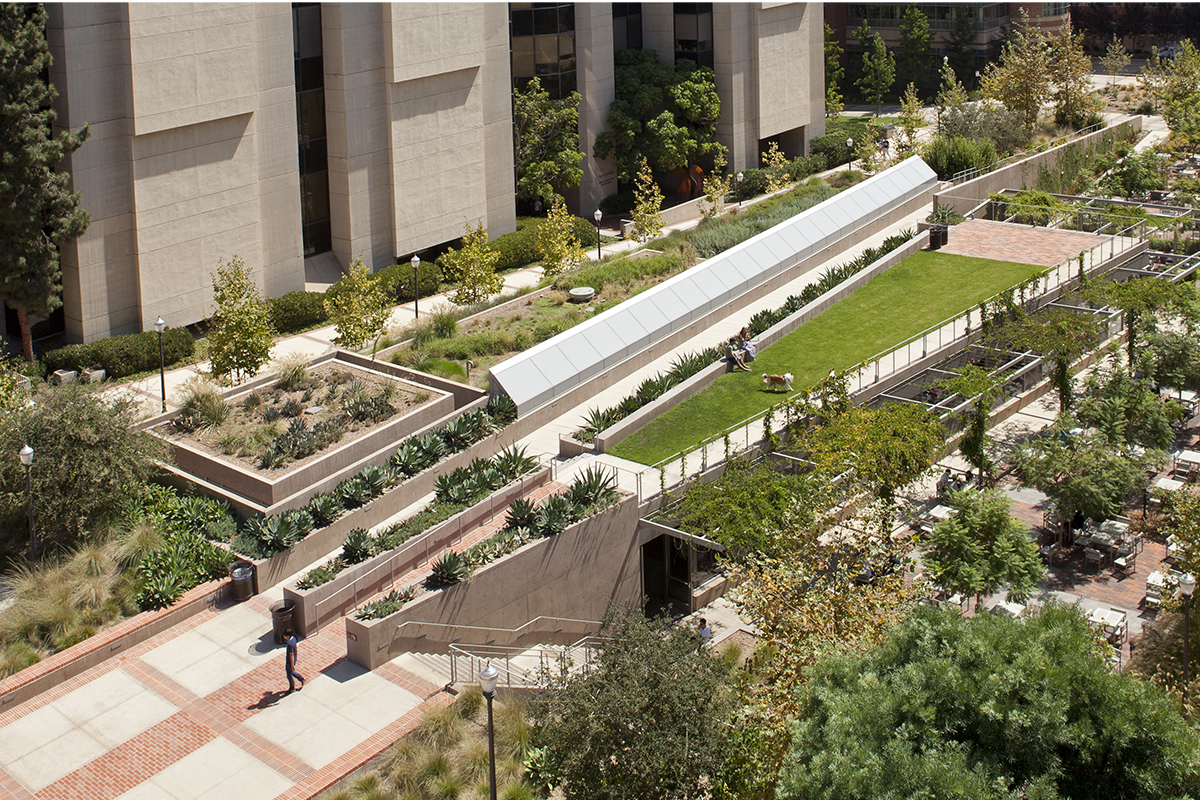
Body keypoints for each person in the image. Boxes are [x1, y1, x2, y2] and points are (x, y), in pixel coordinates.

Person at [285, 628, 304, 693]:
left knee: (289, 674)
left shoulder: (289, 644)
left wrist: (292, 664)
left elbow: (291, 655)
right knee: (290, 672)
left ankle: (293, 686)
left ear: (287, 636)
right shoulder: (293, 638)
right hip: (294, 658)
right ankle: (299, 680)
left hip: (290, 661)